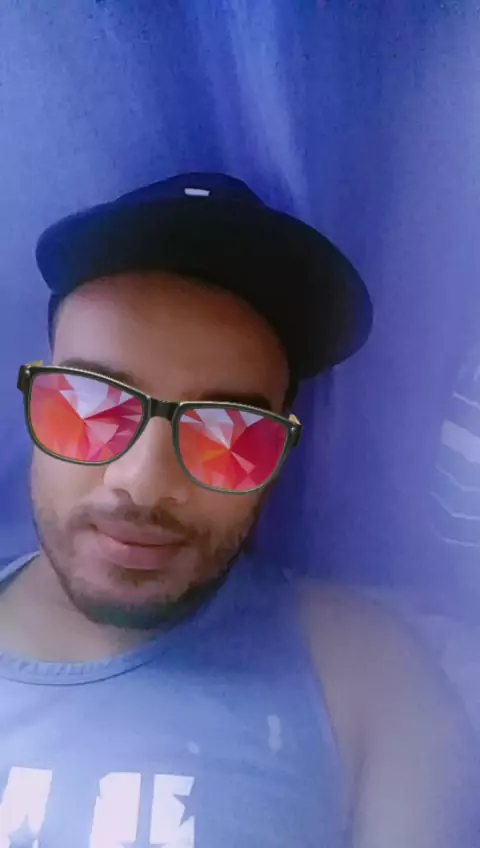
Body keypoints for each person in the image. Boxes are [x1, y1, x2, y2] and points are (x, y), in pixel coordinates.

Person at [0, 173, 477, 848]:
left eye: (229, 434)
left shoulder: (370, 680)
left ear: (281, 456)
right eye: (91, 406)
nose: (143, 483)